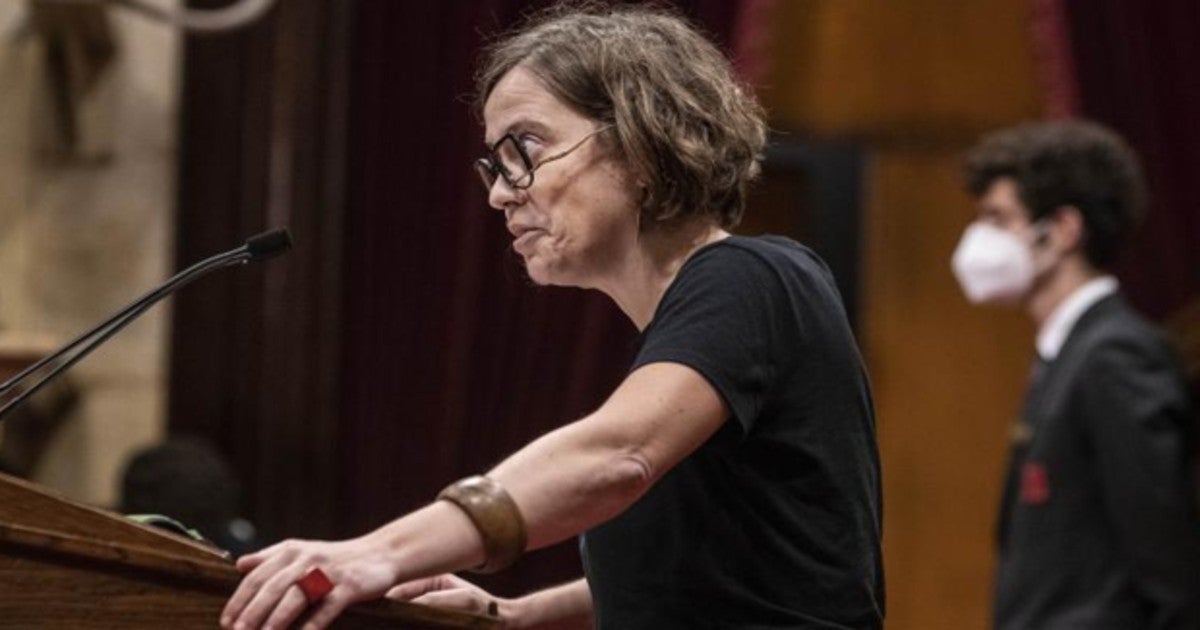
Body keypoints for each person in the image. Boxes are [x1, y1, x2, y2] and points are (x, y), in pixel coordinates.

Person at [221, 5, 884, 629]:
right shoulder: (694, 331)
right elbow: (709, 570)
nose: (502, 194)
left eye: (526, 150)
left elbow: (616, 457)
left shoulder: (752, 278)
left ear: (642, 145)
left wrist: (377, 553)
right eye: (495, 164)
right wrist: (520, 614)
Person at [951, 120, 1200, 628]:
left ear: (1063, 229)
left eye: (999, 218)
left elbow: (1164, 556)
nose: (979, 238)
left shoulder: (1116, 355)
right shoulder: (1068, 352)